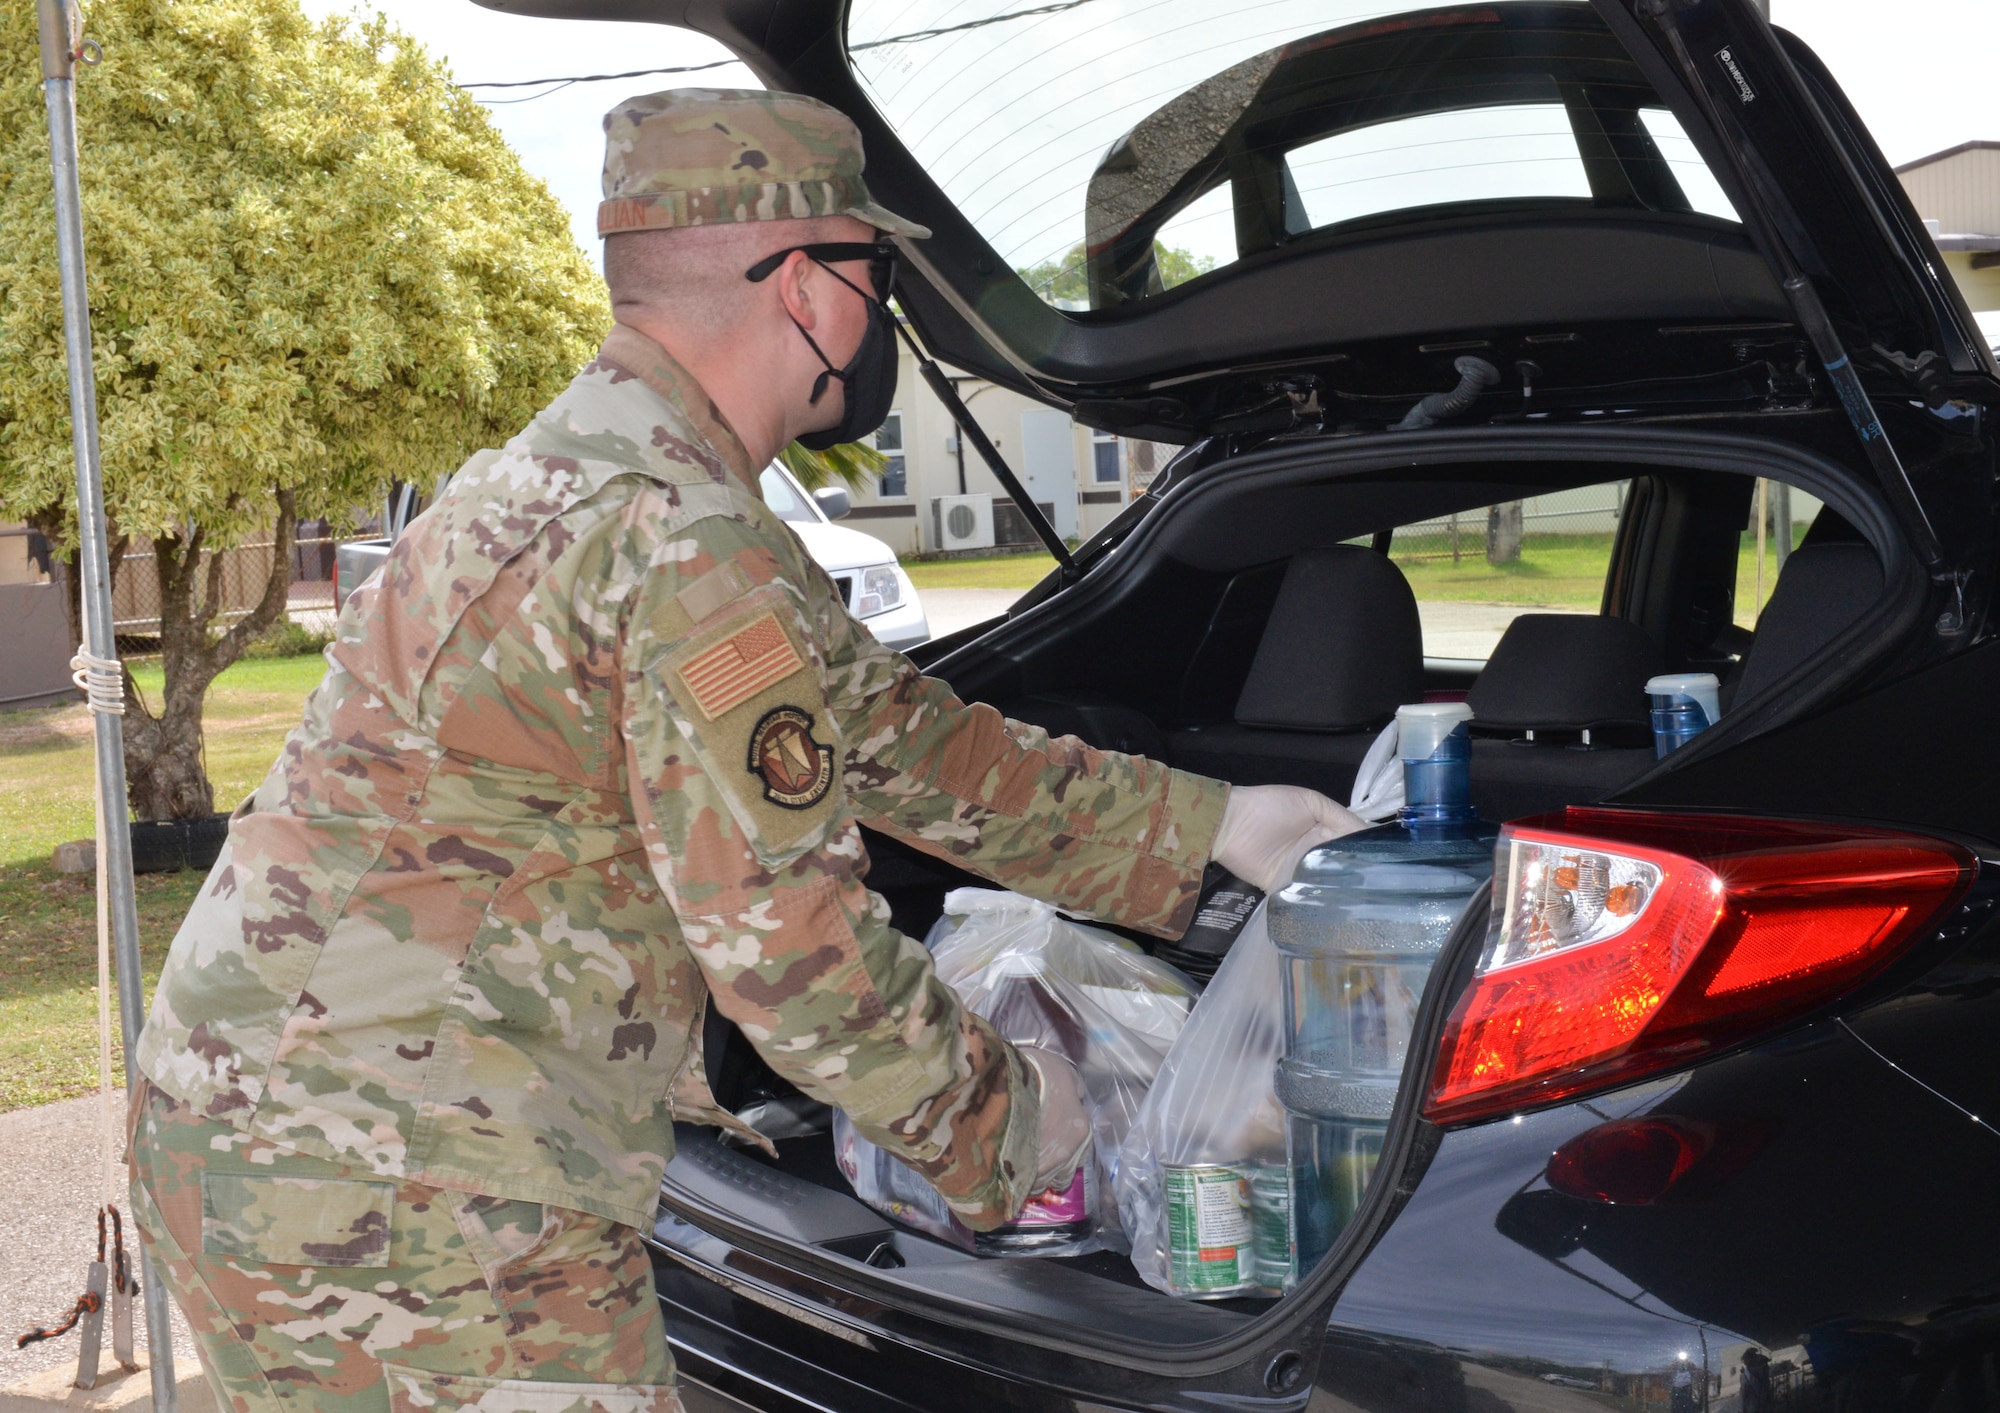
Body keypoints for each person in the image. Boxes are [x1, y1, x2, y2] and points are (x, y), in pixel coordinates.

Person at [126, 89, 1360, 1413]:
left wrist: (1218, 825)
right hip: (417, 1201)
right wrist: (1016, 1121)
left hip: (269, 1119)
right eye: (876, 276)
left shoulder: (582, 473)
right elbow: (792, 951)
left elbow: (898, 739)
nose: (879, 317)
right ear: (812, 290)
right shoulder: (687, 540)